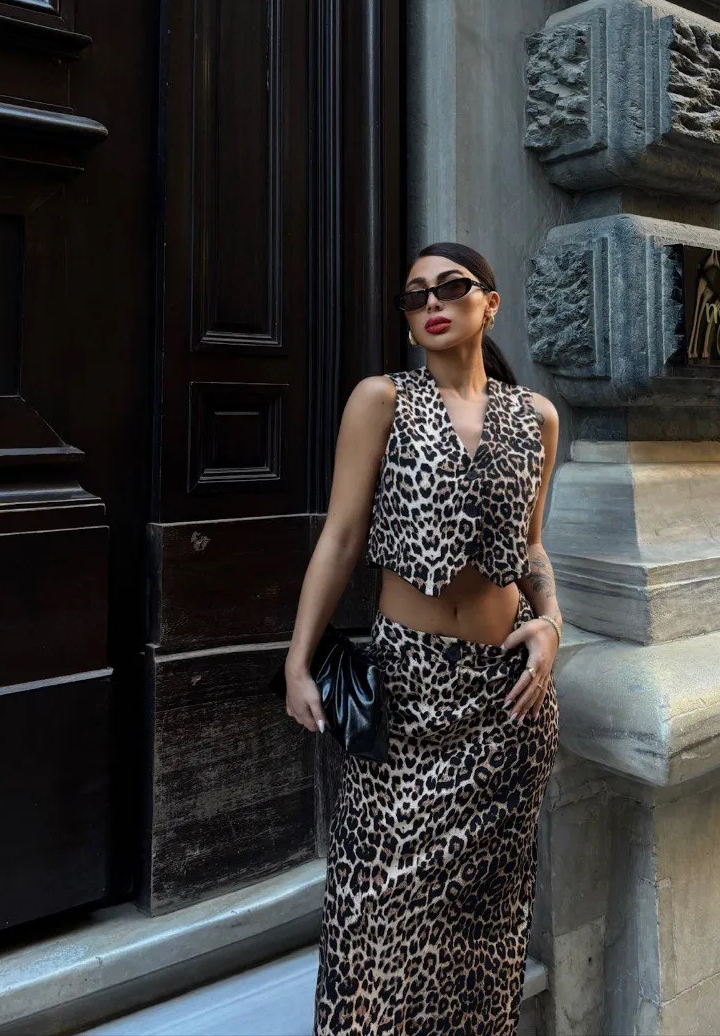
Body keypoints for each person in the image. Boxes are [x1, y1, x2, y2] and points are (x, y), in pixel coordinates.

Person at [282, 241, 562, 1036]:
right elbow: (341, 538)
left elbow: (532, 549)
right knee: (373, 909)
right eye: (414, 296)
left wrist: (551, 624)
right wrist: (297, 663)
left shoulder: (535, 416)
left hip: (506, 702)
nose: (431, 303)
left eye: (450, 287)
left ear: (489, 303)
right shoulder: (381, 400)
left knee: (483, 921)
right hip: (407, 692)